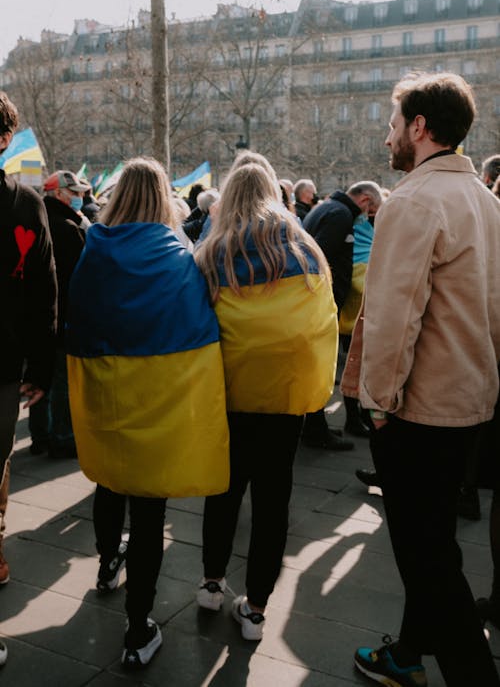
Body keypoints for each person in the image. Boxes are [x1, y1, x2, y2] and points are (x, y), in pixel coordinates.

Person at [345, 72, 500, 687]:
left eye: (392, 125)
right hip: (471, 397)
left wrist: (377, 403)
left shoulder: (411, 201)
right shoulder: (487, 202)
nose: (387, 140)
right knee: (434, 542)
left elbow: (392, 316)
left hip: (419, 407)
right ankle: (407, 653)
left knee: (426, 557)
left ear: (418, 127)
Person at [66, 157, 229, 670]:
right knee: (150, 510)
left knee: (108, 483)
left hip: (108, 395)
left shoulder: (93, 249)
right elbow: (200, 324)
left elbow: (78, 317)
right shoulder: (177, 253)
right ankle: (138, 630)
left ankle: (105, 565)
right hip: (160, 400)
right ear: (164, 196)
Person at [194, 159, 337, 640]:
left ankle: (211, 585)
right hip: (285, 396)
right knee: (274, 501)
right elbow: (324, 321)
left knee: (223, 491)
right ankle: (255, 611)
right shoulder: (306, 249)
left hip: (229, 394)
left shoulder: (211, 252)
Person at [0, 91, 57, 666]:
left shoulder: (28, 205)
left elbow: (43, 289)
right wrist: (41, 368)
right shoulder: (24, 203)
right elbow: (44, 291)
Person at [301, 180, 382, 450]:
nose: (368, 218)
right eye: (371, 212)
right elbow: (320, 256)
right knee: (321, 365)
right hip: (325, 301)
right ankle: (315, 428)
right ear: (365, 200)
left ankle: (316, 425)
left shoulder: (329, 208)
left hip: (321, 300)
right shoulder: (340, 215)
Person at [30, 171, 87, 458]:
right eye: (74, 193)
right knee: (60, 381)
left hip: (37, 314)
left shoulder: (38, 219)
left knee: (40, 376)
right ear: (59, 194)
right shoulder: (68, 228)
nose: (80, 197)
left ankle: (39, 436)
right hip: (63, 315)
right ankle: (61, 437)